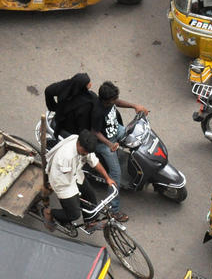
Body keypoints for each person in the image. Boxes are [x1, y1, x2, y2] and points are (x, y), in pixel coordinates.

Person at [92, 82, 148, 221]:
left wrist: (135, 106)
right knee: (116, 174)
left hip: (116, 130)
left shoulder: (109, 102)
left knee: (137, 135)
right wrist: (110, 144)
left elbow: (118, 102)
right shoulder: (97, 112)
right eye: (113, 99)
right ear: (106, 101)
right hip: (104, 143)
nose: (115, 101)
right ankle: (113, 210)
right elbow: (95, 132)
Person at [42, 130, 114, 229]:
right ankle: (49, 212)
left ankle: (90, 222)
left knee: (90, 194)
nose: (86, 154)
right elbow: (68, 178)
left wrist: (107, 178)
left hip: (75, 173)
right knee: (74, 214)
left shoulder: (84, 146)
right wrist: (76, 197)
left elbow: (94, 162)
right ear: (79, 144)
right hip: (63, 182)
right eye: (85, 152)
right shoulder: (67, 156)